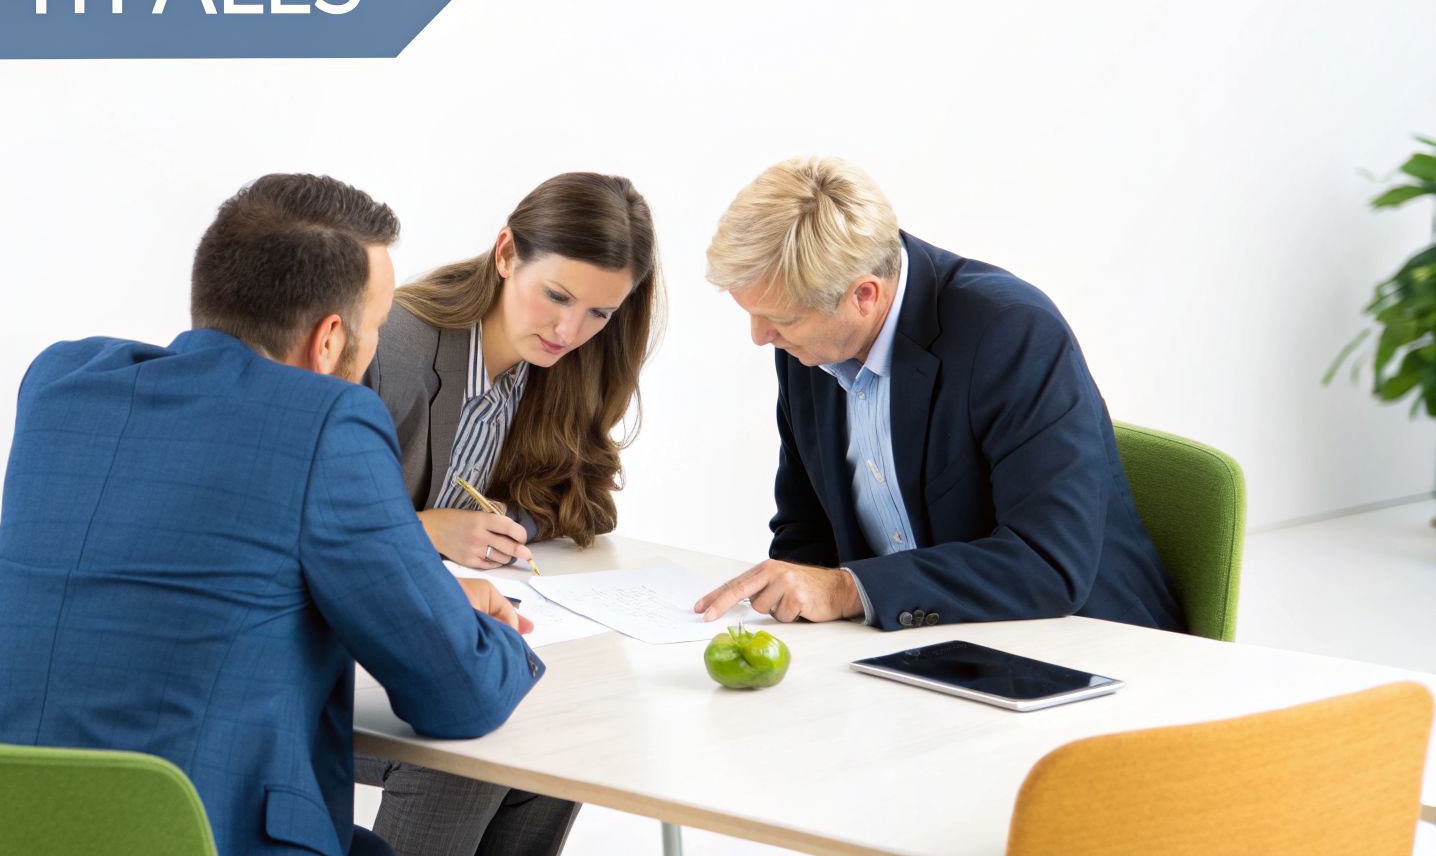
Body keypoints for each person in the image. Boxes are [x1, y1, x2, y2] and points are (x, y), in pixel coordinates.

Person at [0, 174, 544, 856]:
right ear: (328, 341)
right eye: (376, 328)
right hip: (190, 835)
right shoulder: (329, 420)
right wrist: (472, 624)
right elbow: (456, 693)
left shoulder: (61, 384)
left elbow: (210, 571)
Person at [693, 157, 1182, 633]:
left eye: (782, 319)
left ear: (864, 295)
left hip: (1087, 645)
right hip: (930, 646)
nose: (760, 336)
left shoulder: (1010, 333)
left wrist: (848, 590)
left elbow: (1047, 561)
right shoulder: (810, 344)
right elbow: (807, 532)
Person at [354, 172, 660, 856]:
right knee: (479, 750)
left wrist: (508, 525)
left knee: (562, 733)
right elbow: (307, 521)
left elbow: (584, 498)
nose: (569, 329)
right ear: (505, 254)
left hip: (437, 633)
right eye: (556, 296)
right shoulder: (394, 346)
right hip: (339, 652)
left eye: (599, 314)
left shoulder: (554, 372)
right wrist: (423, 529)